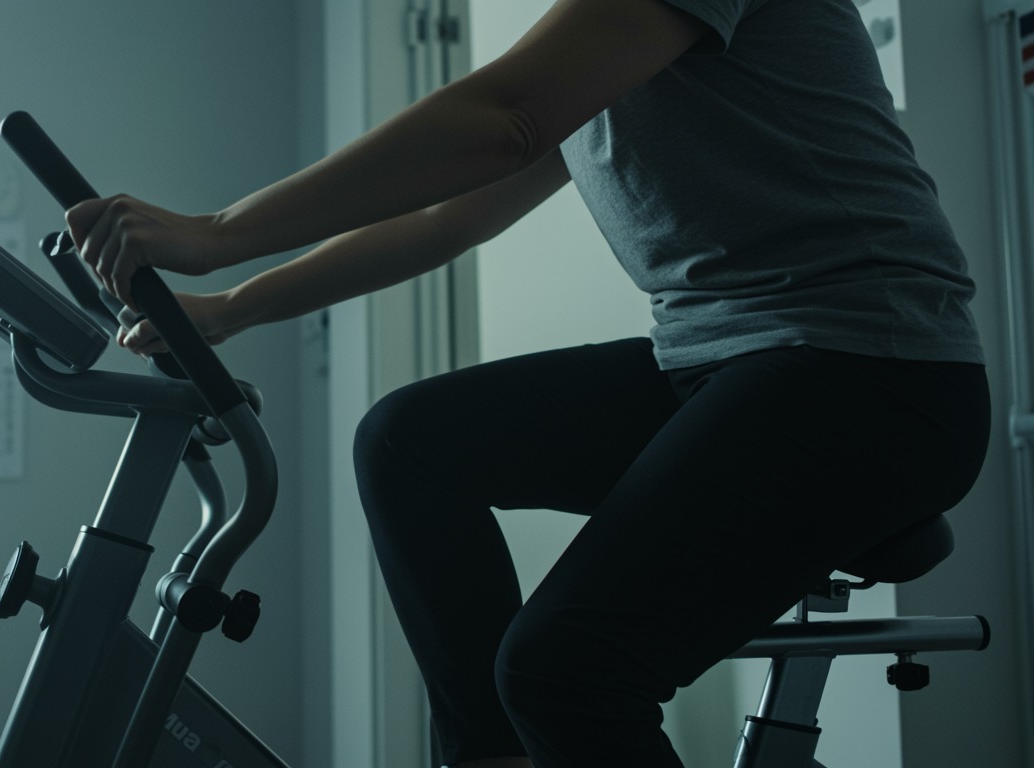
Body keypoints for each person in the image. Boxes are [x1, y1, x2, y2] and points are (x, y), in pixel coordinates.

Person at [66, 0, 991, 765]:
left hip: (875, 373)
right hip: (719, 366)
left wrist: (218, 227)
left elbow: (503, 124)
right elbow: (443, 217)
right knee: (410, 442)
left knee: (563, 672)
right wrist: (234, 303)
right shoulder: (599, 37)